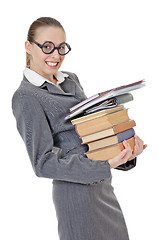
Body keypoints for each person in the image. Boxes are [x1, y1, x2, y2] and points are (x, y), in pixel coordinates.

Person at [12, 17, 147, 240]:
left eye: (61, 47)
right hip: (76, 195)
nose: (56, 55)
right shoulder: (26, 96)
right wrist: (104, 165)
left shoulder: (70, 80)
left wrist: (122, 152)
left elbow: (89, 135)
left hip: (103, 187)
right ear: (28, 47)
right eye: (47, 47)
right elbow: (42, 164)